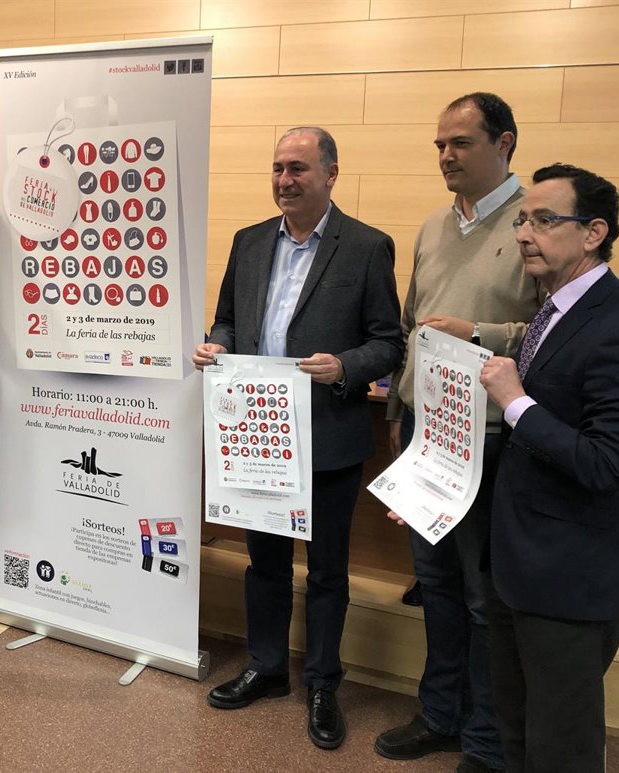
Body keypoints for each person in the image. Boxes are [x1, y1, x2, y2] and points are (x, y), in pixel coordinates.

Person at [193, 127, 402, 749]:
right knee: (265, 563)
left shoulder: (366, 246)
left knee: (328, 570)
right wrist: (218, 345)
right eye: (278, 168)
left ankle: (322, 683)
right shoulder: (250, 241)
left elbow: (388, 341)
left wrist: (345, 366)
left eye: (298, 169)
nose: (285, 180)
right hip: (258, 438)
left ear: (330, 174)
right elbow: (228, 320)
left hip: (328, 435)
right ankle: (266, 667)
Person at [479, 163, 619, 773]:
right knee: (515, 728)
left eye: (543, 220)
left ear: (593, 232)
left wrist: (516, 402)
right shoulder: (552, 309)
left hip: (569, 575)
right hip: (516, 560)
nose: (524, 234)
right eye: (521, 220)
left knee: (561, 746)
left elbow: (607, 465)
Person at [377, 93, 544, 773]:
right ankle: (440, 713)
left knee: (483, 597)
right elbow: (409, 328)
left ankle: (485, 736)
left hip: (491, 436)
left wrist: (478, 333)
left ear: (504, 143)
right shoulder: (432, 227)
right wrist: (397, 415)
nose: (446, 156)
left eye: (461, 143)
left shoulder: (536, 222)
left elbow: (554, 332)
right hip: (428, 431)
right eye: (439, 145)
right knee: (435, 582)